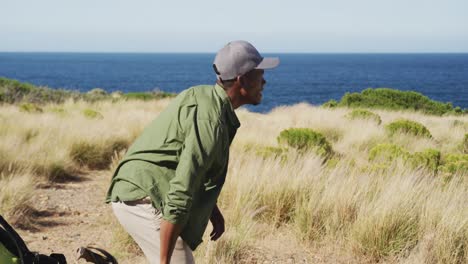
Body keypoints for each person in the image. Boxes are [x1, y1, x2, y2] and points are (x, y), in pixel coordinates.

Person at [105, 40, 279, 264]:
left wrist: (211, 210)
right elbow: (182, 191)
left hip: (145, 189)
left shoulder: (207, 99)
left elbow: (193, 169)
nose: (264, 81)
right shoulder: (212, 121)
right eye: (259, 74)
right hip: (142, 197)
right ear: (241, 79)